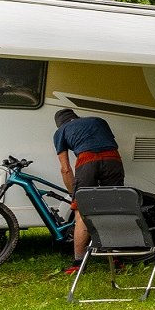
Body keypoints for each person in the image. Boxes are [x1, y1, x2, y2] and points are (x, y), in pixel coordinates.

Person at [53, 109, 125, 274]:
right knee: (111, 209)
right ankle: (115, 257)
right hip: (113, 159)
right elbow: (106, 143)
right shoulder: (98, 120)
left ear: (59, 123)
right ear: (75, 117)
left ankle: (78, 263)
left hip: (87, 161)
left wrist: (74, 196)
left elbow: (65, 169)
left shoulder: (60, 132)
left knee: (82, 213)